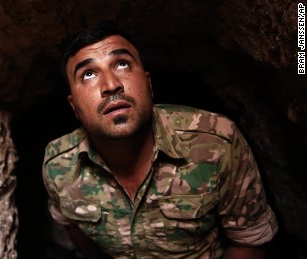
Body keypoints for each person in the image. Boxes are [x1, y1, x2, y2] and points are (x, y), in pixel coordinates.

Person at [42, 24, 278, 258]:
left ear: (148, 83)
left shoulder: (216, 142)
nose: (111, 85)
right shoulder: (58, 164)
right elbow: (71, 224)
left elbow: (249, 241)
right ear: (74, 106)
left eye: (122, 64)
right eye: (89, 74)